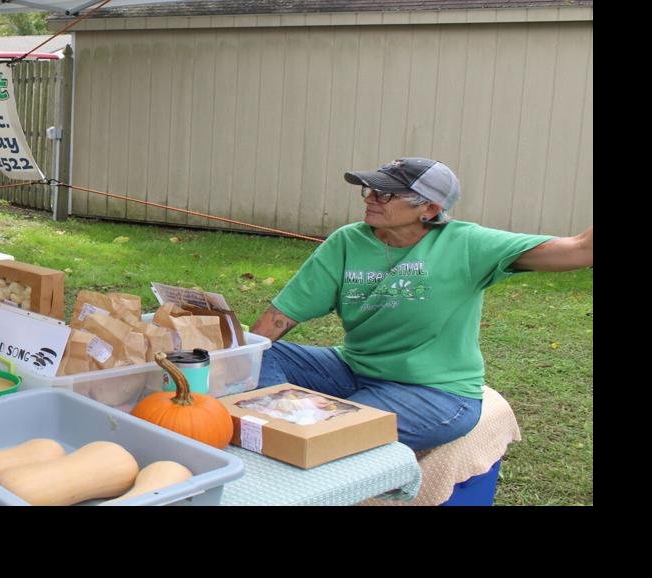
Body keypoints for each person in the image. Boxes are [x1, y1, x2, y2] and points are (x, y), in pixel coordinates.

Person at [251, 157, 593, 450]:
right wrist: (241, 364)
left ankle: (295, 433)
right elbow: (281, 315)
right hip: (353, 369)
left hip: (435, 393)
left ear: (430, 208)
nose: (371, 198)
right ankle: (276, 426)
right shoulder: (347, 241)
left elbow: (580, 249)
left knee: (327, 431)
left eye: (385, 193)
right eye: (369, 189)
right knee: (257, 354)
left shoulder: (468, 244)